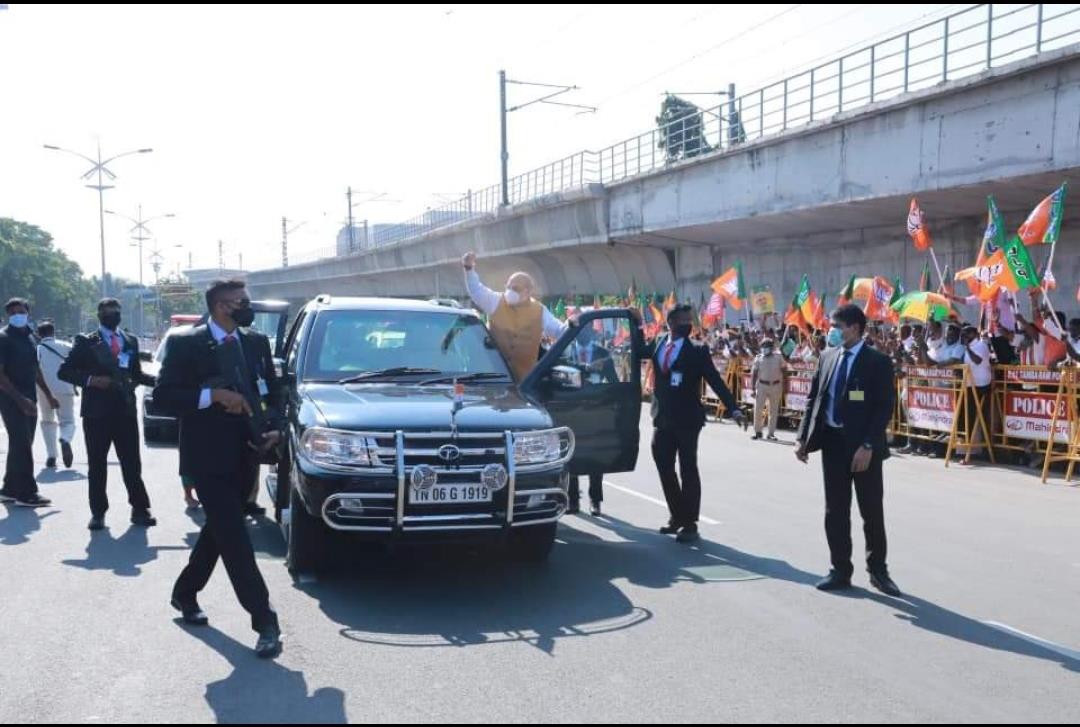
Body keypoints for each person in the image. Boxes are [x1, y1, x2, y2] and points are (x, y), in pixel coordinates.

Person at [154, 279, 284, 659]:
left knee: (220, 531)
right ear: (219, 306)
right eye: (240, 302)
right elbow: (164, 396)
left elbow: (271, 391)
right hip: (207, 458)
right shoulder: (185, 343)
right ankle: (265, 621)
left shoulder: (255, 343)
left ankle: (184, 592)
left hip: (248, 454)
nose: (247, 307)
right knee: (236, 540)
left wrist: (273, 425)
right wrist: (213, 396)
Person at [795, 304, 901, 597]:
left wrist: (868, 445)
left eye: (836, 326)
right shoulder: (827, 357)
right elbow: (813, 398)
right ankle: (840, 569)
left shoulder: (877, 362)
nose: (832, 331)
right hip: (832, 444)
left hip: (863, 450)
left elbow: (883, 408)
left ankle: (878, 571)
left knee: (871, 512)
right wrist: (803, 437)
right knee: (835, 511)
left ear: (854, 328)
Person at [640, 304, 747, 543]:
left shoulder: (697, 350)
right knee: (663, 464)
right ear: (671, 323)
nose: (688, 324)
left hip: (688, 419)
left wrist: (734, 408)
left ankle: (690, 523)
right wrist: (634, 321)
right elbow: (638, 350)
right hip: (662, 418)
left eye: (690, 320)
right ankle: (677, 515)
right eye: (683, 320)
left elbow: (715, 380)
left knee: (688, 468)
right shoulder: (658, 342)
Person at [59, 298, 157, 530]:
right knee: (97, 465)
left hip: (124, 410)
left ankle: (140, 509)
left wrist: (160, 382)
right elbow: (65, 372)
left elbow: (136, 374)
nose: (111, 315)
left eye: (115, 311)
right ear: (99, 315)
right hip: (97, 414)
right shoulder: (86, 342)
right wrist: (92, 381)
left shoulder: (129, 340)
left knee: (132, 462)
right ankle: (98, 513)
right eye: (106, 312)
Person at [461, 251, 565, 381]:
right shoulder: (496, 301)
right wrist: (469, 269)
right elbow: (476, 290)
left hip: (524, 382)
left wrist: (574, 323)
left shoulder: (540, 311)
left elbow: (560, 331)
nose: (509, 291)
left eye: (515, 288)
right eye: (508, 286)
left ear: (527, 292)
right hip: (494, 379)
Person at [0, 298, 55, 507]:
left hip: (30, 397)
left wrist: (48, 395)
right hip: (11, 398)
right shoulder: (4, 338)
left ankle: (10, 488)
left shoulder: (31, 337)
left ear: (28, 312)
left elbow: (35, 369)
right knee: (22, 443)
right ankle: (26, 493)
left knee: (22, 443)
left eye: (20, 311)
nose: (17, 314)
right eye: (12, 312)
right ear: (8, 316)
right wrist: (20, 399)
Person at [565, 323, 619, 516]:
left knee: (595, 457)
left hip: (596, 412)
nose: (582, 332)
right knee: (572, 455)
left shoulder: (602, 353)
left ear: (591, 330)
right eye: (578, 329)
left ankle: (595, 500)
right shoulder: (566, 352)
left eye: (586, 328)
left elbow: (614, 383)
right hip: (571, 411)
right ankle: (572, 500)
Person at [35, 321, 77, 469]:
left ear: (39, 334)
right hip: (65, 387)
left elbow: (35, 370)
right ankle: (65, 439)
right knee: (68, 420)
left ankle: (51, 456)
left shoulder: (38, 349)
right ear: (53, 332)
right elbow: (77, 364)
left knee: (47, 421)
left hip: (44, 390)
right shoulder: (66, 346)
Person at [751, 337, 784, 441]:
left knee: (773, 411)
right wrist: (752, 388)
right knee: (758, 409)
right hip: (761, 385)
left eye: (766, 346)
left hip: (775, 385)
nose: (764, 348)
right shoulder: (758, 358)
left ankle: (771, 433)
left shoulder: (778, 357)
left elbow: (785, 370)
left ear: (771, 347)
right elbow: (754, 374)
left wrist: (786, 386)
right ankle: (758, 431)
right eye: (763, 346)